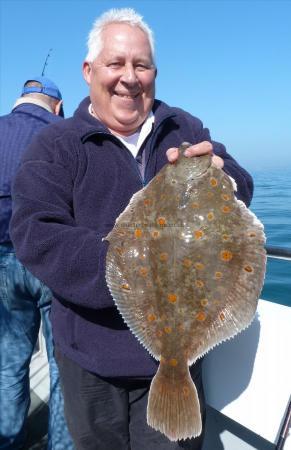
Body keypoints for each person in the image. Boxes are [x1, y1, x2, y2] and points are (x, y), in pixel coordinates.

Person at [10, 8, 254, 450]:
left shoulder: (184, 128)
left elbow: (241, 184)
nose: (129, 77)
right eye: (116, 64)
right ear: (88, 71)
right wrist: (134, 268)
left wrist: (225, 177)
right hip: (90, 357)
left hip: (179, 354)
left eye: (141, 65)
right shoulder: (57, 145)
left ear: (154, 73)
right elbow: (35, 232)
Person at [0, 77, 74, 449]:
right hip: (51, 262)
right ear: (56, 105)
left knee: (9, 363)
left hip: (2, 264)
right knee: (64, 366)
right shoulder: (65, 133)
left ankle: (9, 441)